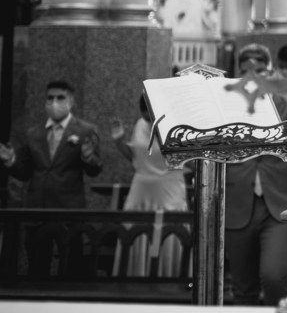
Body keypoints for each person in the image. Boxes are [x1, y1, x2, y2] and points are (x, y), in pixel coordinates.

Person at [224, 45, 287, 306]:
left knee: (273, 276)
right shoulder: (224, 109)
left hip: (279, 205)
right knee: (243, 288)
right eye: (245, 71)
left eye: (260, 70)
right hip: (237, 202)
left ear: (270, 71)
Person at [111, 96, 188, 275]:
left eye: (152, 118)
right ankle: (134, 277)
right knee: (137, 230)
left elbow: (192, 163)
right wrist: (119, 142)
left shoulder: (178, 127)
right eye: (146, 118)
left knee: (168, 232)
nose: (149, 122)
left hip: (168, 192)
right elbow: (136, 158)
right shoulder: (140, 125)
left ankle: (170, 278)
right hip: (141, 193)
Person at [0, 80, 102, 208]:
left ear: (71, 101)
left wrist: (87, 157)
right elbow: (24, 173)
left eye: (60, 97)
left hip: (69, 208)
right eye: (50, 97)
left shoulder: (85, 131)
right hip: (37, 207)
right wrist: (10, 160)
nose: (54, 102)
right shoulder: (33, 133)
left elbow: (95, 170)